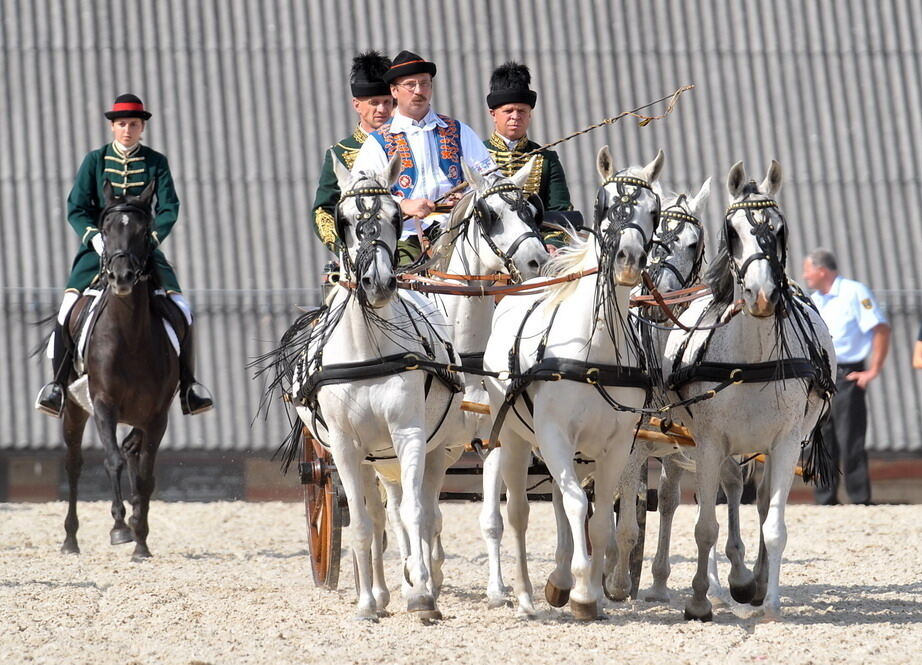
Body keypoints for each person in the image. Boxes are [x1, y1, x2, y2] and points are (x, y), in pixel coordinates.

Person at [35, 94, 213, 418]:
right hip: (99, 251)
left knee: (184, 310)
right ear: (112, 127)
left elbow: (169, 207)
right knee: (65, 311)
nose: (127, 130)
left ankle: (189, 387)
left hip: (143, 251)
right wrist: (94, 239)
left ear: (142, 126)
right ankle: (57, 387)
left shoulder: (157, 161)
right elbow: (76, 208)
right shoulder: (95, 160)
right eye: (121, 124)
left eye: (133, 124)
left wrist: (153, 238)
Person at [351, 49, 497, 263]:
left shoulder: (458, 130)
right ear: (394, 91)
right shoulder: (378, 142)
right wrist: (403, 205)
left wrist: (469, 197)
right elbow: (360, 197)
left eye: (425, 83)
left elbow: (491, 179)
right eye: (410, 85)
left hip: (461, 233)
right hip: (405, 238)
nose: (419, 91)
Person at [802, 248, 890, 505]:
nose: (805, 276)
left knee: (850, 437)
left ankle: (859, 499)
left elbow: (881, 329)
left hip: (847, 374)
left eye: (808, 270)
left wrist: (873, 371)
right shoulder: (815, 300)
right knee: (821, 438)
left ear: (821, 270)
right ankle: (825, 499)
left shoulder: (854, 292)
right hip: (819, 378)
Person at [484, 61, 574, 248]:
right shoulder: (476, 153)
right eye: (508, 111)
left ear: (530, 114)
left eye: (522, 111)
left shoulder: (546, 159)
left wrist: (552, 243)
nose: (515, 116)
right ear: (493, 114)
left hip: (535, 247)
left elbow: (560, 210)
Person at [311, 51, 394, 253]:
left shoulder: (409, 143)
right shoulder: (340, 153)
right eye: (374, 103)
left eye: (387, 102)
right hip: (364, 250)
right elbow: (323, 210)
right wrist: (345, 248)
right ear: (357, 104)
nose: (382, 109)